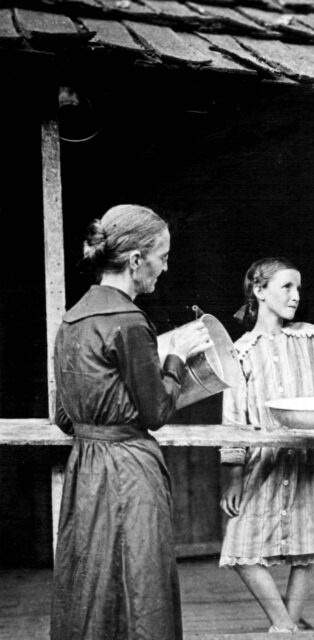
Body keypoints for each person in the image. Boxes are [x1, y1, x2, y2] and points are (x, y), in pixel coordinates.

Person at [51, 204, 212, 640]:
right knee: (141, 588)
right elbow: (157, 412)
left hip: (86, 471)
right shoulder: (128, 320)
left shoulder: (71, 319)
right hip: (130, 470)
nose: (165, 266)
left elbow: (64, 416)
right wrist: (177, 354)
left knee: (93, 585)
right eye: (162, 255)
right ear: (137, 259)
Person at [219, 257, 314, 632]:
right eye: (287, 286)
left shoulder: (309, 338)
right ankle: (285, 624)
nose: (296, 295)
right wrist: (233, 475)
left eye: (300, 287)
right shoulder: (240, 351)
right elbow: (234, 416)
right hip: (264, 463)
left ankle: (284, 630)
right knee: (241, 548)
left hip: (308, 460)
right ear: (260, 291)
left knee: (307, 551)